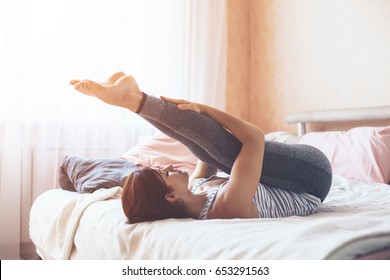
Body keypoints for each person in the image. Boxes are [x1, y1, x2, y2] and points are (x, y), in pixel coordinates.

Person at [70, 72, 332, 223]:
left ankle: (134, 101)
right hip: (314, 177)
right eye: (166, 173)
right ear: (171, 196)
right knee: (229, 153)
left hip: (290, 179)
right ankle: (135, 100)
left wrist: (185, 121)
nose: (171, 166)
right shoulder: (228, 206)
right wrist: (204, 109)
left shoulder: (197, 190)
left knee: (203, 150)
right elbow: (254, 137)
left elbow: (198, 147)